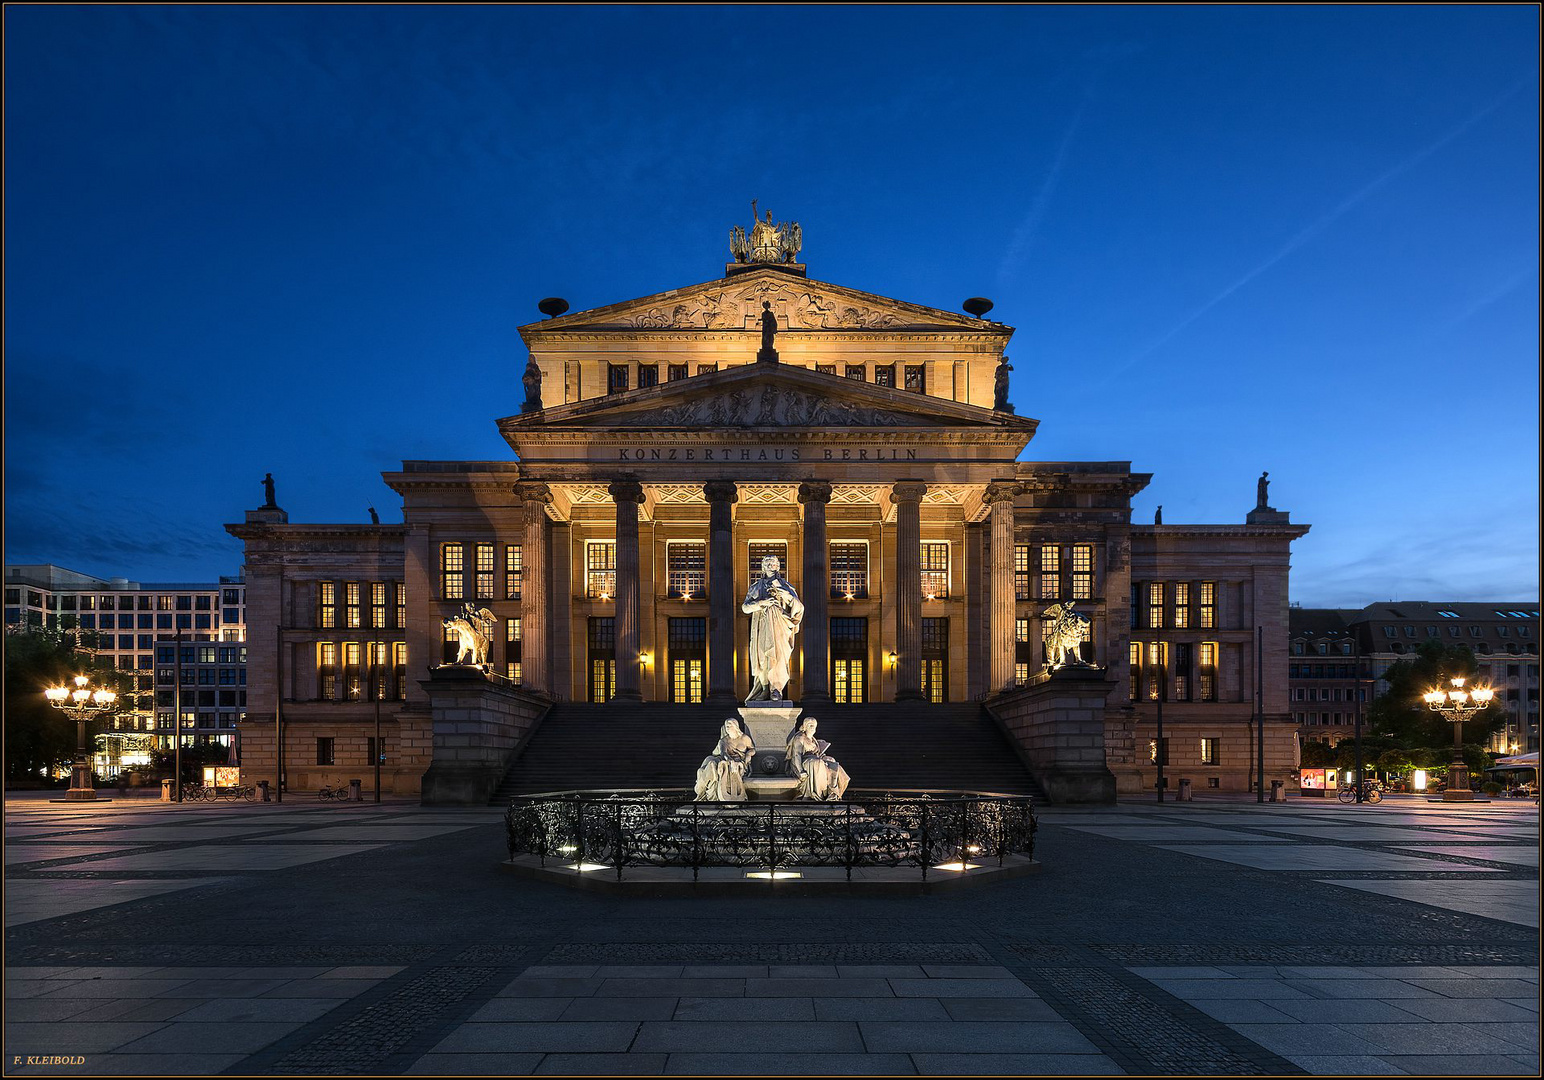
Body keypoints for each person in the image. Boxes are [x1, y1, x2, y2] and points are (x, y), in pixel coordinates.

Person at [742, 556, 803, 703]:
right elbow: (745, 608)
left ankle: (776, 688)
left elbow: (799, 606)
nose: (770, 566)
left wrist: (785, 594)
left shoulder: (786, 586)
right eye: (767, 564)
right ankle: (764, 689)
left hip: (780, 625)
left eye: (773, 563)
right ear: (763, 567)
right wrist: (761, 602)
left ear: (778, 567)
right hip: (762, 626)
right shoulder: (755, 587)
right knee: (762, 657)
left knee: (779, 657)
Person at [785, 717, 850, 801]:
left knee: (833, 762)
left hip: (815, 759)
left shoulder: (813, 739)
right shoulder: (800, 738)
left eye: (814, 726)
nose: (812, 727)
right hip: (805, 762)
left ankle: (833, 793)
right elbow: (796, 756)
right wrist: (800, 771)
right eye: (810, 725)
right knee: (817, 763)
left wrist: (825, 757)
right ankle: (818, 794)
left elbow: (817, 753)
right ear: (805, 726)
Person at [694, 719, 756, 801]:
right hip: (726, 760)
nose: (727, 727)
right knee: (710, 764)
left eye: (729, 725)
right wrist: (731, 761)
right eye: (726, 726)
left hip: (741, 762)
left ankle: (703, 785)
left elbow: (752, 749)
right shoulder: (724, 740)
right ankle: (703, 786)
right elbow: (724, 753)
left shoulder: (745, 738)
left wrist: (748, 754)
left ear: (735, 726)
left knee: (714, 767)